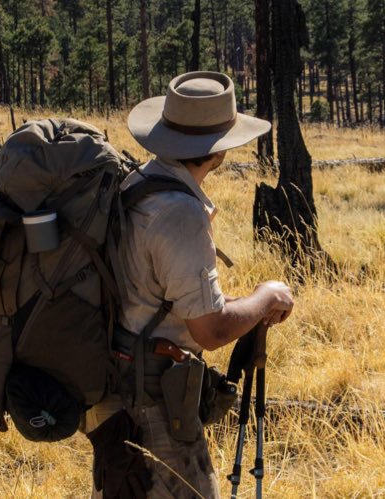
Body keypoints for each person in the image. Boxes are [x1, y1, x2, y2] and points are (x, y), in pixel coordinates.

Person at [85, 71, 295, 498]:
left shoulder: (137, 184)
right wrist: (266, 296)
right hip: (153, 402)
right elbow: (211, 330)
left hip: (117, 388)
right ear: (216, 151)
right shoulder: (179, 213)